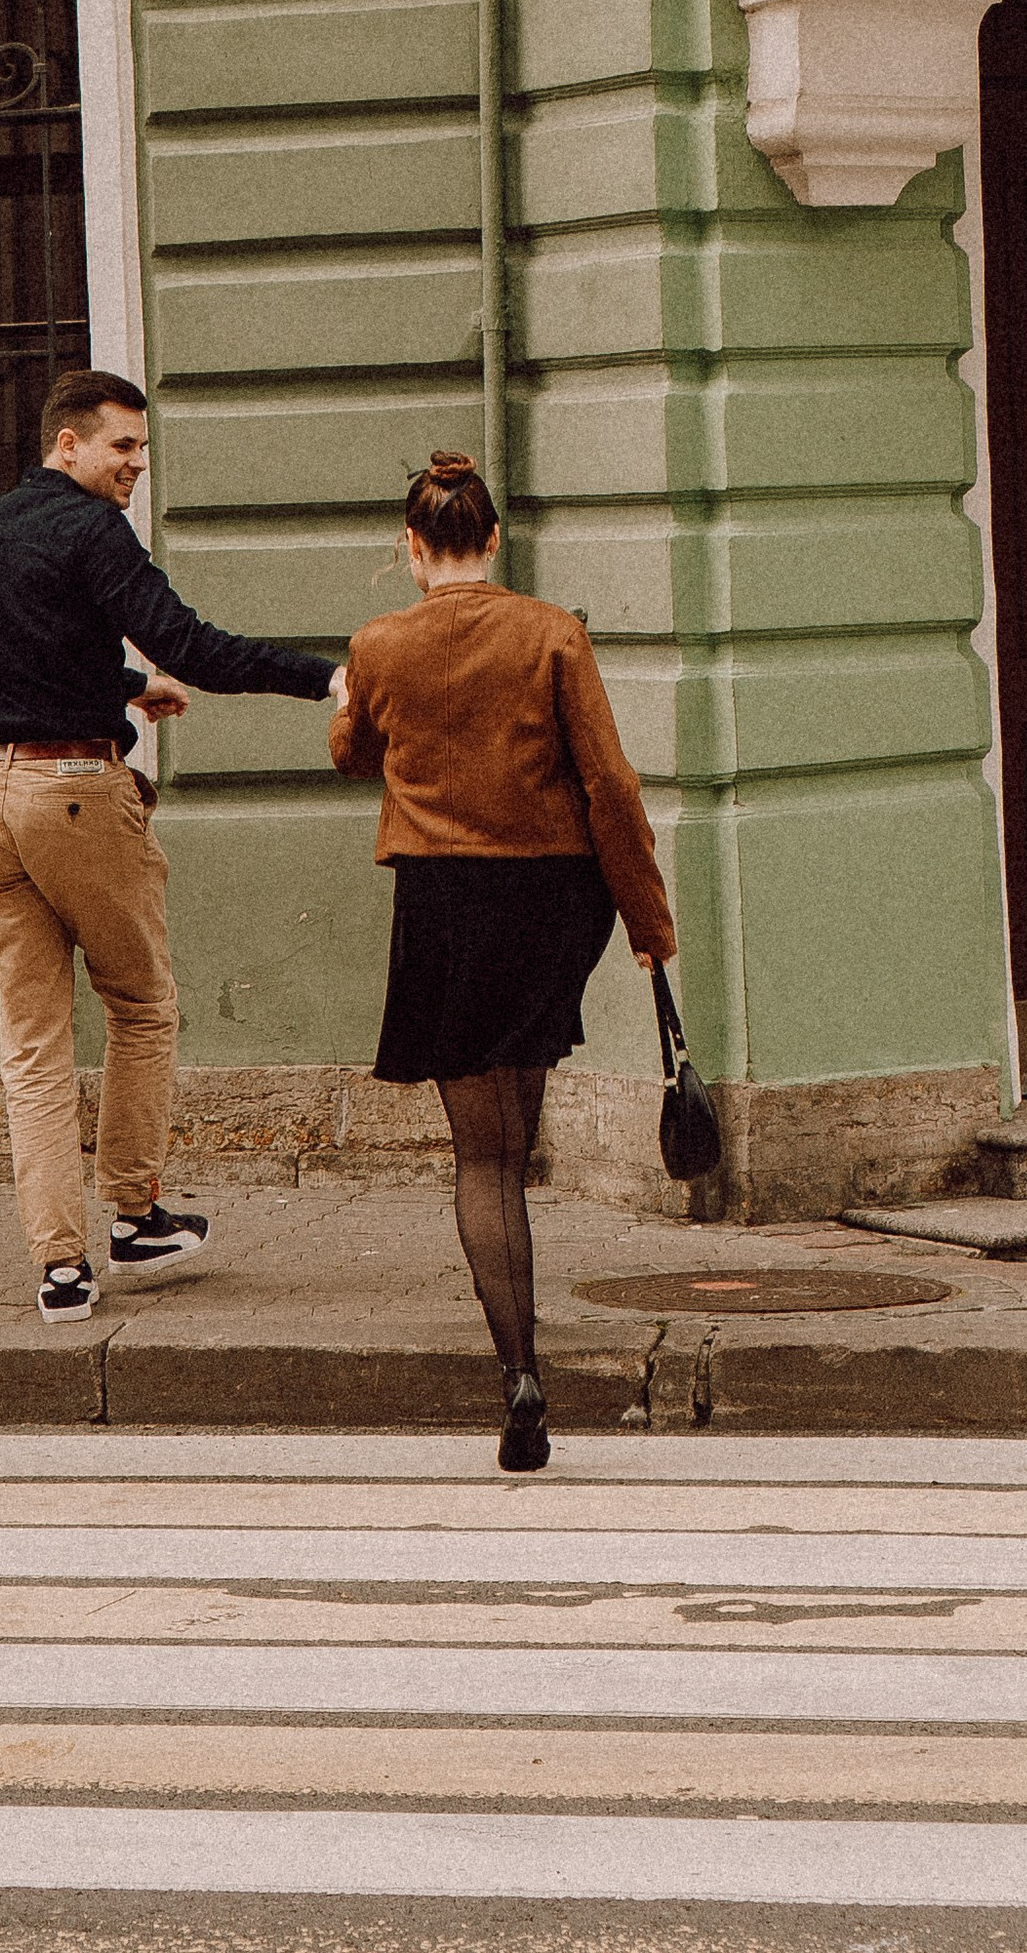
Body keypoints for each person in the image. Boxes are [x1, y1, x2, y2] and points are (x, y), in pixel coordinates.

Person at [0, 366, 334, 1326]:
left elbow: (18, 650)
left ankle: (60, 1271)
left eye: (141, 450)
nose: (135, 465)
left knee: (33, 1047)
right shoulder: (93, 529)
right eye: (121, 447)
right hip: (74, 795)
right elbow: (193, 644)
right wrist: (327, 678)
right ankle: (134, 1215)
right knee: (142, 1002)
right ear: (67, 442)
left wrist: (120, 687)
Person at [330, 451, 677, 1472]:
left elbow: (355, 754)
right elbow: (608, 784)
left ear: (410, 548)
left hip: (443, 901)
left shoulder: (380, 644)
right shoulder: (551, 632)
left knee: (480, 1157)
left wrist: (354, 702)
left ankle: (519, 1372)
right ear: (492, 540)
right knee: (515, 1137)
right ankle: (526, 1356)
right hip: (549, 902)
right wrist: (647, 927)